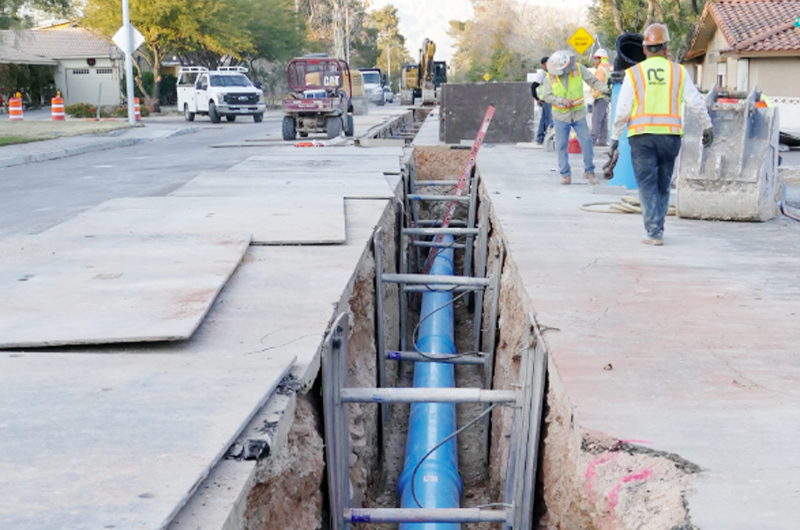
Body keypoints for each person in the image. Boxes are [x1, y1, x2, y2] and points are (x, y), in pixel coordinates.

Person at [608, 23, 713, 246]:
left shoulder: (634, 74)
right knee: (663, 183)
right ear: (665, 49)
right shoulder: (678, 71)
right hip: (670, 137)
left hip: (642, 137)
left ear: (644, 49)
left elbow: (623, 110)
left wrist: (615, 138)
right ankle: (659, 226)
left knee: (646, 184)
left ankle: (654, 232)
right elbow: (695, 102)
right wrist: (707, 126)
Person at [541, 50, 610, 185]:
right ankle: (565, 174)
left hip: (578, 113)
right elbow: (547, 96)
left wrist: (606, 90)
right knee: (561, 145)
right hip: (561, 115)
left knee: (586, 142)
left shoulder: (578, 69)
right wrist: (561, 100)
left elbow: (593, 81)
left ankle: (589, 171)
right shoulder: (550, 76)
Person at [590, 49, 612, 146]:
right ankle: (602, 140)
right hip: (605, 97)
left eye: (596, 58)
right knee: (603, 119)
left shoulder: (600, 70)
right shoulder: (606, 69)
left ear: (601, 59)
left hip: (600, 97)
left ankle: (593, 140)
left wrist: (593, 97)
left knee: (596, 119)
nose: (594, 60)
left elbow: (599, 84)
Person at [531, 56, 552, 144]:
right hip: (545, 99)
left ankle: (540, 138)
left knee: (544, 119)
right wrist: (537, 98)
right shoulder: (542, 74)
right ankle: (547, 139)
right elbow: (533, 87)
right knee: (548, 120)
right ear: (544, 65)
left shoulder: (549, 73)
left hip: (548, 99)